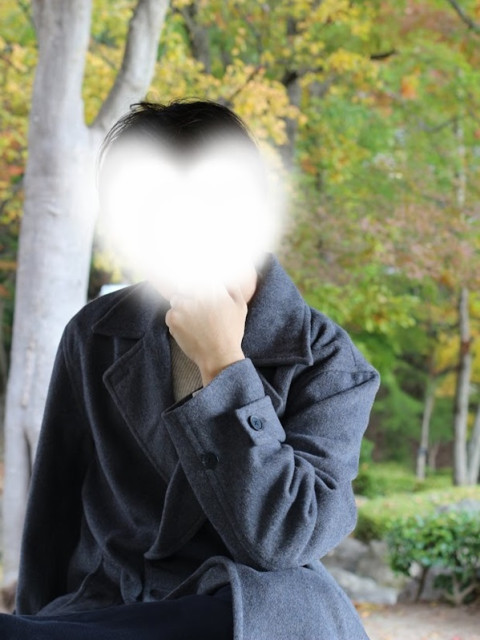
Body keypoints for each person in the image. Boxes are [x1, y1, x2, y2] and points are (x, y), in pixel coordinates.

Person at [1, 98, 381, 639]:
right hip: (112, 601)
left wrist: (223, 365)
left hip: (242, 606)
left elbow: (283, 539)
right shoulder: (96, 335)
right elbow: (52, 520)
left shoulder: (328, 361)